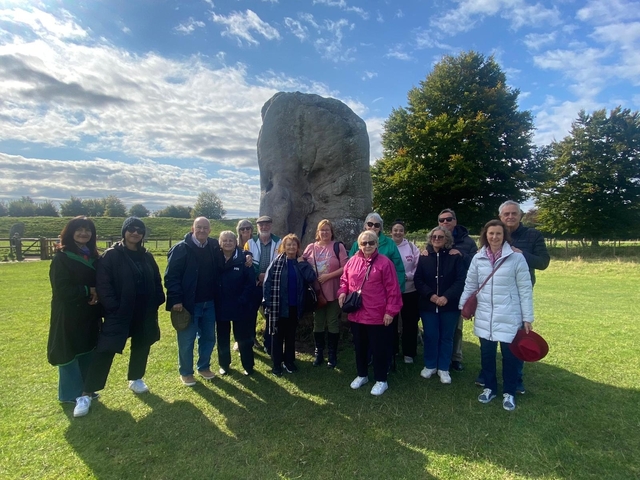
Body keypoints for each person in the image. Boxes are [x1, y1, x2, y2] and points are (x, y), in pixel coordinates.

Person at [76, 217, 165, 417]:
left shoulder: (146, 256)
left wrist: (158, 298)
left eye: (139, 230)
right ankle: (87, 392)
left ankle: (136, 378)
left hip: (144, 311)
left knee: (142, 344)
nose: (135, 233)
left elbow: (156, 278)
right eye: (131, 229)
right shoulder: (111, 256)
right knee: (106, 350)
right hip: (120, 312)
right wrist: (113, 306)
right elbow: (103, 284)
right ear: (124, 232)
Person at [475, 201, 550, 393]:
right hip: (492, 296)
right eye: (506, 214)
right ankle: (487, 376)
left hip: (517, 295)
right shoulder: (493, 235)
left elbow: (543, 262)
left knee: (514, 339)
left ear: (520, 215)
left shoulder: (532, 235)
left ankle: (515, 379)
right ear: (500, 217)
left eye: (514, 213)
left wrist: (522, 253)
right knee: (489, 337)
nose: (510, 217)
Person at [459, 219, 534, 411]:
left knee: (510, 357)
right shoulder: (478, 257)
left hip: (509, 315)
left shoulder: (516, 258)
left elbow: (525, 289)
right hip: (485, 315)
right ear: (485, 235)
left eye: (498, 233)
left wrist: (527, 318)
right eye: (491, 233)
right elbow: (471, 284)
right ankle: (489, 388)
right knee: (487, 355)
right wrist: (463, 308)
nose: (494, 237)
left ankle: (509, 392)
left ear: (504, 236)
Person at [47, 216, 102, 417]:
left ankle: (87, 389)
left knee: (88, 349)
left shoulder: (95, 257)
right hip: (69, 313)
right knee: (69, 352)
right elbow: (61, 289)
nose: (83, 233)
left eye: (87, 230)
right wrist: (88, 290)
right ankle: (70, 394)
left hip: (89, 313)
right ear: (70, 232)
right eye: (79, 230)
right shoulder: (62, 258)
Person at [338, 231, 403, 396]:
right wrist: (342, 292)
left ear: (377, 244)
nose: (367, 246)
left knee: (379, 348)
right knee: (360, 347)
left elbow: (393, 289)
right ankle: (362, 374)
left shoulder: (385, 263)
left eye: (371, 242)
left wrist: (390, 311)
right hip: (357, 313)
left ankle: (381, 379)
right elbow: (344, 280)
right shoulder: (352, 261)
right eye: (364, 243)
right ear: (359, 245)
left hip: (377, 315)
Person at [164, 217, 219, 386]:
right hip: (188, 304)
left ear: (210, 230)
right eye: (199, 227)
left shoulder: (213, 246)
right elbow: (170, 276)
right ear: (192, 228)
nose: (202, 230)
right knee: (187, 340)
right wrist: (176, 299)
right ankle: (186, 372)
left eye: (205, 228)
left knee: (209, 337)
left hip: (209, 303)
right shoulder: (181, 248)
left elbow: (229, 255)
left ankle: (203, 367)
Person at [414, 226, 465, 384]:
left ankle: (443, 368)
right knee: (430, 336)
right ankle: (430, 365)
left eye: (440, 237)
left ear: (447, 239)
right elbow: (418, 280)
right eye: (434, 236)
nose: (437, 239)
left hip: (449, 306)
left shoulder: (454, 257)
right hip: (428, 305)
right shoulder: (424, 257)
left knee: (446, 337)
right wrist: (432, 296)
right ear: (430, 239)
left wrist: (446, 297)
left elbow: (460, 280)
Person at [263, 234, 317, 376]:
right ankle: (276, 364)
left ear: (298, 247)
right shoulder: (277, 262)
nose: (291, 247)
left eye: (294, 244)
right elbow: (267, 284)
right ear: (284, 247)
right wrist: (269, 304)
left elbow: (311, 278)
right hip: (278, 307)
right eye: (288, 244)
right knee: (277, 336)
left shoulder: (301, 262)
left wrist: (302, 263)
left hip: (295, 306)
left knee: (290, 336)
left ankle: (289, 361)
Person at [435, 209, 478, 372]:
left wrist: (461, 254)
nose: (445, 222)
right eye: (441, 220)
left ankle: (456, 357)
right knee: (438, 326)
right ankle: (439, 356)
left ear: (455, 220)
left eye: (448, 219)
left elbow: (476, 262)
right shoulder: (435, 237)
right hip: (437, 289)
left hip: (459, 289)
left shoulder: (467, 241)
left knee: (456, 327)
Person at [303, 219, 348, 368]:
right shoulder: (311, 248)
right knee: (318, 323)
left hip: (334, 290)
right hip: (317, 293)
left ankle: (332, 354)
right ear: (318, 232)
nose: (324, 233)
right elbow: (302, 264)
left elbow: (346, 267)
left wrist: (328, 276)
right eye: (322, 230)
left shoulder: (337, 247)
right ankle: (319, 353)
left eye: (327, 230)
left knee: (333, 322)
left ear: (331, 232)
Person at [216, 231, 256, 375]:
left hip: (240, 305)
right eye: (224, 240)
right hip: (220, 305)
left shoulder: (244, 259)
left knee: (243, 337)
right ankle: (224, 365)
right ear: (220, 243)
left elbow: (250, 282)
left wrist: (243, 299)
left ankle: (248, 366)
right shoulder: (214, 258)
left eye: (230, 241)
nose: (227, 243)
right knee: (222, 338)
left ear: (235, 242)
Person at [243, 215, 282, 354]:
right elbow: (246, 261)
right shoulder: (250, 242)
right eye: (261, 225)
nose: (264, 227)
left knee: (271, 314)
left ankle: (268, 342)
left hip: (272, 285)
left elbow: (281, 262)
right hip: (255, 284)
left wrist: (268, 276)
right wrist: (257, 275)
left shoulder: (279, 242)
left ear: (271, 225)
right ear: (257, 226)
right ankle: (251, 339)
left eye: (267, 224)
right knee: (250, 313)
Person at [389, 219, 420, 364]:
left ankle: (409, 352)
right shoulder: (387, 247)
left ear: (404, 232)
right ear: (391, 232)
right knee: (391, 322)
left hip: (409, 290)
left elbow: (417, 267)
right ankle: (393, 350)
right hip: (391, 292)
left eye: (401, 230)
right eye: (395, 230)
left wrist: (407, 276)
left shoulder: (412, 248)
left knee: (410, 322)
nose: (398, 232)